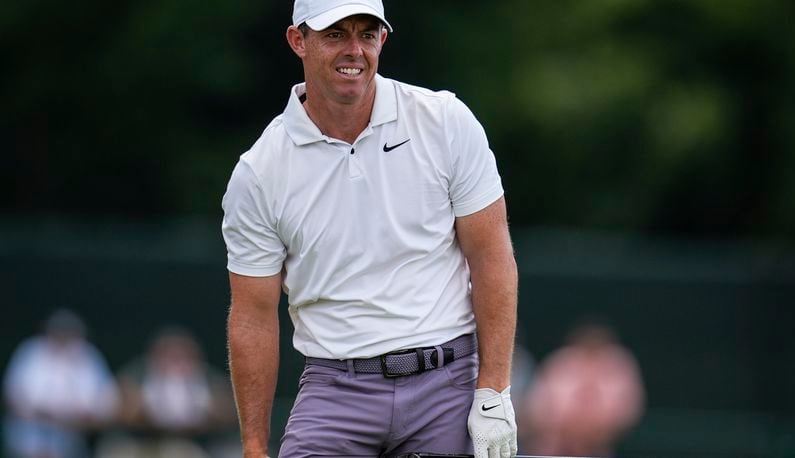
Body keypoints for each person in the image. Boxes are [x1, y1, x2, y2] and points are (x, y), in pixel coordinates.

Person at [220, 1, 518, 457]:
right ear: (298, 41)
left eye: (367, 33)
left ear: (382, 39)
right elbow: (253, 315)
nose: (354, 50)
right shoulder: (261, 172)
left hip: (447, 383)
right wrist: (255, 447)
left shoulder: (445, 121)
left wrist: (494, 392)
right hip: (334, 389)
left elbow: (492, 256)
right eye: (335, 34)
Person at [3, 308, 120, 458]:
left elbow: (106, 402)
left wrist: (85, 415)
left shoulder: (88, 355)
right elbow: (13, 396)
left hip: (73, 440)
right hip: (29, 436)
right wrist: (45, 413)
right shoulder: (31, 351)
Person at [103, 327, 236, 458]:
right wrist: (144, 410)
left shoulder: (211, 379)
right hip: (143, 442)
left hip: (199, 444)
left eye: (183, 356)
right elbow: (119, 414)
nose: (176, 363)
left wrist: (206, 411)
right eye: (169, 355)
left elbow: (227, 415)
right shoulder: (135, 377)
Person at [523, 320, 645, 457]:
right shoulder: (560, 361)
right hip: (555, 443)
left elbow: (630, 407)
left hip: (604, 444)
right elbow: (536, 405)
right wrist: (564, 428)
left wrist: (598, 430)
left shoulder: (619, 363)